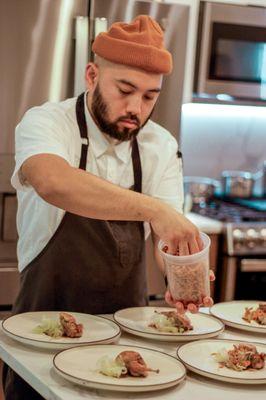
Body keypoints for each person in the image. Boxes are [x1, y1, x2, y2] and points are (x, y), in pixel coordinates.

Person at [3, 15, 213, 399]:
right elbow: (53, 181)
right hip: (42, 335)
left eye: (150, 96)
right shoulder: (47, 121)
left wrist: (184, 273)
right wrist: (155, 210)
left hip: (128, 343)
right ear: (91, 76)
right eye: (125, 89)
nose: (136, 107)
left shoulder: (160, 146)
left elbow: (167, 241)